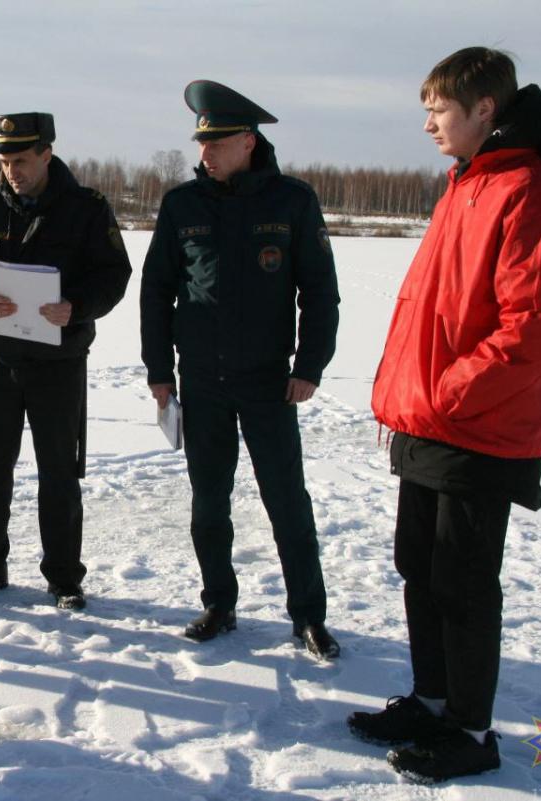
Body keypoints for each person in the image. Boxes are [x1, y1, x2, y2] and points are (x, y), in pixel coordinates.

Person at [349, 48, 541, 783]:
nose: (428, 126)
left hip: (477, 426)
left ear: (486, 108)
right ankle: (433, 696)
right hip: (430, 419)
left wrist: (446, 391)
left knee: (463, 578)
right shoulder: (466, 185)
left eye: (439, 111)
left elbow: (533, 326)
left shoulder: (532, 195)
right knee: (419, 566)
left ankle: (473, 731)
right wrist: (411, 393)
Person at [140, 81, 341, 658]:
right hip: (201, 380)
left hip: (269, 383)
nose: (203, 152)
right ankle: (218, 603)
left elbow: (319, 291)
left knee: (287, 501)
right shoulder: (182, 205)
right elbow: (157, 292)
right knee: (210, 501)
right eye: (200, 142)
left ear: (248, 142)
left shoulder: (292, 201)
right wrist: (160, 371)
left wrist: (311, 365)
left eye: (216, 142)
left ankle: (308, 615)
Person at [0, 112, 131, 610]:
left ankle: (64, 576)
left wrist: (77, 307)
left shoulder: (87, 209)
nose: (12, 171)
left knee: (58, 472)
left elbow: (113, 274)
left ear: (47, 153)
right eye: (4, 161)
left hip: (58, 361)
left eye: (21, 160)